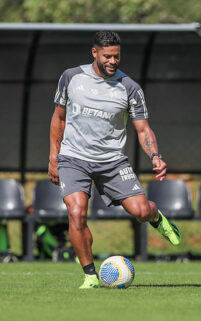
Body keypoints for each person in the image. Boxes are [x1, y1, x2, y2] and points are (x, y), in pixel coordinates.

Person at [48, 30, 181, 289]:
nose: (112, 61)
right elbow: (59, 118)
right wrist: (54, 156)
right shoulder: (71, 77)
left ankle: (157, 218)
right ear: (94, 53)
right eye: (107, 56)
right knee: (76, 213)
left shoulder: (129, 87)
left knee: (140, 211)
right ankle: (90, 276)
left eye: (117, 56)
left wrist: (155, 156)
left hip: (112, 162)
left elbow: (143, 129)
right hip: (73, 158)